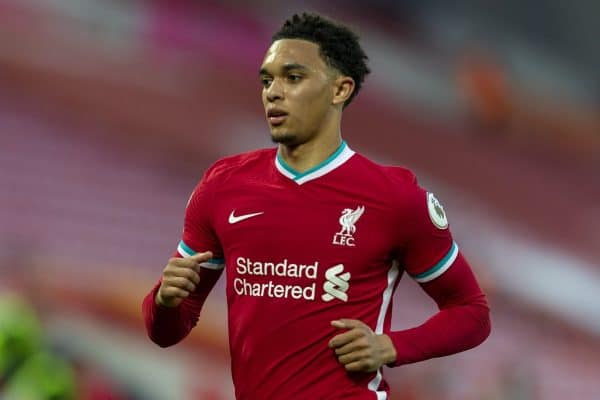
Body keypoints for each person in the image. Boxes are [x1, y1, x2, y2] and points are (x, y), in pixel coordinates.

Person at [142, 12, 491, 400]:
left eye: (293, 77)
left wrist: (391, 346)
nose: (273, 91)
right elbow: (167, 331)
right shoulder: (223, 186)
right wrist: (164, 301)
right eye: (267, 79)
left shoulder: (395, 197)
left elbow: (471, 312)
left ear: (339, 90)